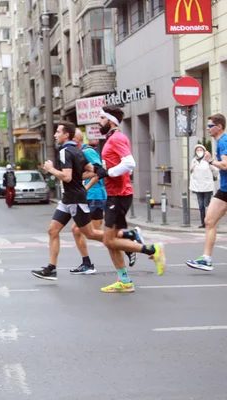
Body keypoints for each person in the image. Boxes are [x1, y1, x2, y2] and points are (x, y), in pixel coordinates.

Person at [94, 105, 166, 293]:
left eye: (101, 118)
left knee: (108, 241)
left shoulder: (117, 138)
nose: (98, 121)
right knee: (110, 240)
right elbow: (125, 167)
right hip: (116, 194)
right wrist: (104, 171)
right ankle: (124, 281)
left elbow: (130, 163)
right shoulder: (113, 138)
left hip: (118, 196)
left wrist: (108, 172)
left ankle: (152, 250)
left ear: (110, 121)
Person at [31, 122, 106, 280]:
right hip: (68, 199)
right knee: (53, 230)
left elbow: (67, 176)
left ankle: (125, 239)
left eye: (58, 132)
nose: (55, 135)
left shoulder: (66, 151)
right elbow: (92, 171)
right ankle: (51, 268)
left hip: (75, 199)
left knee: (90, 233)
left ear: (66, 135)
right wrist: (78, 178)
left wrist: (50, 169)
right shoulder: (77, 150)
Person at [186, 114, 227, 271]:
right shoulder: (219, 142)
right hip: (224, 189)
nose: (208, 129)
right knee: (209, 221)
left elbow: (225, 165)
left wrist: (210, 161)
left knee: (209, 221)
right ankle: (206, 259)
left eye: (210, 126)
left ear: (219, 127)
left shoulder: (223, 141)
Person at [68, 130, 109, 274]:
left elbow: (100, 172)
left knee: (91, 233)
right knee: (82, 231)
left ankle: (129, 242)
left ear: (75, 140)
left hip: (94, 196)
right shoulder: (80, 152)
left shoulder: (87, 152)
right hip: (91, 197)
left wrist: (85, 187)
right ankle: (87, 263)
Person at [190, 144, 217, 228]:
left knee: (207, 205)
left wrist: (214, 178)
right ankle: (203, 222)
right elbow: (191, 172)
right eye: (197, 150)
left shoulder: (207, 160)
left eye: (200, 150)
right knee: (201, 206)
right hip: (198, 187)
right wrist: (192, 168)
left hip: (207, 187)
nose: (199, 152)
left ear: (204, 151)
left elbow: (215, 170)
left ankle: (209, 221)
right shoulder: (194, 160)